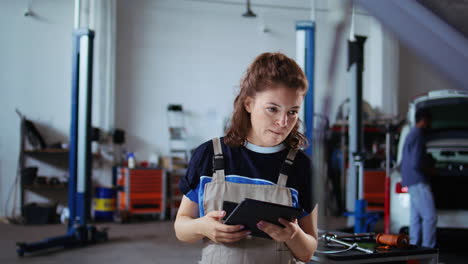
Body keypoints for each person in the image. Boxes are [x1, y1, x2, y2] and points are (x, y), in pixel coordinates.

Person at [174, 52, 318, 263]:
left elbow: (307, 251)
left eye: (293, 112)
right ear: (248, 104)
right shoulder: (210, 155)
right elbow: (181, 227)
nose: (283, 122)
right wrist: (202, 226)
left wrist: (294, 236)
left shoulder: (302, 167)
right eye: (272, 109)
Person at [401, 108, 437, 248]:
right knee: (430, 217)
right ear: (424, 120)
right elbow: (416, 162)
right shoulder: (419, 136)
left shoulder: (411, 134)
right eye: (429, 120)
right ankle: (428, 250)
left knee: (415, 218)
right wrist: (430, 169)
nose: (430, 124)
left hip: (411, 181)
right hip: (418, 181)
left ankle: (414, 249)